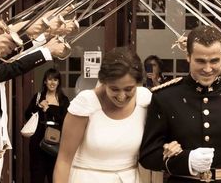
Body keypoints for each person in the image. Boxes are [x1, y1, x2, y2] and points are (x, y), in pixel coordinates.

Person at [139, 25, 221, 182]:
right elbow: (148, 155)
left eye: (214, 61)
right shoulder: (165, 97)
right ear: (188, 56)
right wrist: (186, 160)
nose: (207, 68)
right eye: (200, 61)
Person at [53, 47, 152, 183]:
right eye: (114, 89)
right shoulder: (86, 103)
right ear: (104, 82)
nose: (122, 96)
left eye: (129, 89)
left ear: (138, 83)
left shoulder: (145, 100)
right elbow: (64, 161)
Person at [25, 67, 70, 183]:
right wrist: (38, 107)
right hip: (38, 140)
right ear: (45, 81)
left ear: (59, 82)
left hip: (56, 140)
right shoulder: (38, 97)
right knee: (37, 174)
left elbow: (65, 120)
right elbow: (27, 115)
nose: (52, 83)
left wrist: (48, 109)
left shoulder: (64, 100)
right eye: (50, 79)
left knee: (54, 175)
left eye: (55, 80)